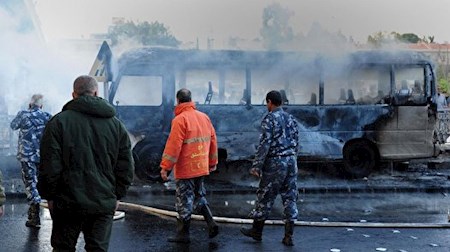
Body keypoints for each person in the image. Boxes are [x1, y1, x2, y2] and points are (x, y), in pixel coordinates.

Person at [38, 75, 134, 251]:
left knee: (63, 248)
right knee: (97, 249)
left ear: (73, 95)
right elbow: (126, 166)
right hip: (103, 201)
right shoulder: (116, 125)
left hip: (67, 202)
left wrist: (49, 196)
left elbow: (49, 165)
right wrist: (117, 195)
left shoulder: (58, 123)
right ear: (96, 92)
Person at [240, 90, 300, 247]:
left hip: (275, 163)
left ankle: (256, 231)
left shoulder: (269, 119)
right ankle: (288, 236)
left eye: (267, 103)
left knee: (265, 196)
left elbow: (265, 144)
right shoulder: (291, 118)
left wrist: (257, 166)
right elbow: (296, 141)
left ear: (269, 102)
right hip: (291, 161)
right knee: (290, 197)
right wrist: (293, 159)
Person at [160, 88, 219, 243]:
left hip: (187, 168)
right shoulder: (204, 117)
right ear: (191, 99)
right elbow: (213, 141)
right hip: (201, 166)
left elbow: (173, 147)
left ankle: (183, 235)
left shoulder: (180, 120)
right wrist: (212, 163)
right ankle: (211, 223)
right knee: (199, 195)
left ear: (178, 101)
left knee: (184, 200)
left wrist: (165, 167)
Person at [10, 94, 51, 227]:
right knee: (38, 183)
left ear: (30, 104)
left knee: (30, 183)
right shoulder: (47, 116)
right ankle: (37, 210)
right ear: (41, 105)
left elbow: (13, 125)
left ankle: (34, 216)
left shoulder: (23, 114)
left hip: (27, 156)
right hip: (42, 156)